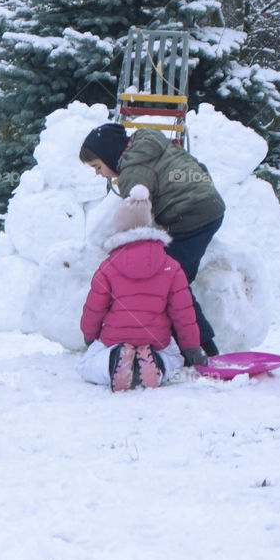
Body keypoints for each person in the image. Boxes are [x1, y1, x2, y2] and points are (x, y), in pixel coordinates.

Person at [79, 123, 224, 357]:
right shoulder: (147, 141)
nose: (98, 173)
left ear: (108, 155)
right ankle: (195, 346)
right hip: (210, 204)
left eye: (97, 166)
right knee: (173, 278)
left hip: (190, 217)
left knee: (172, 282)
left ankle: (203, 350)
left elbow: (138, 223)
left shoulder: (132, 174)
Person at [77, 185, 207, 392]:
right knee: (175, 360)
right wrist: (192, 349)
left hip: (114, 339)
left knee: (86, 365)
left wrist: (89, 336)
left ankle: (113, 361)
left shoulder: (108, 267)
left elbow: (95, 307)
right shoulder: (171, 266)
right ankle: (156, 363)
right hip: (156, 340)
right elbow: (183, 313)